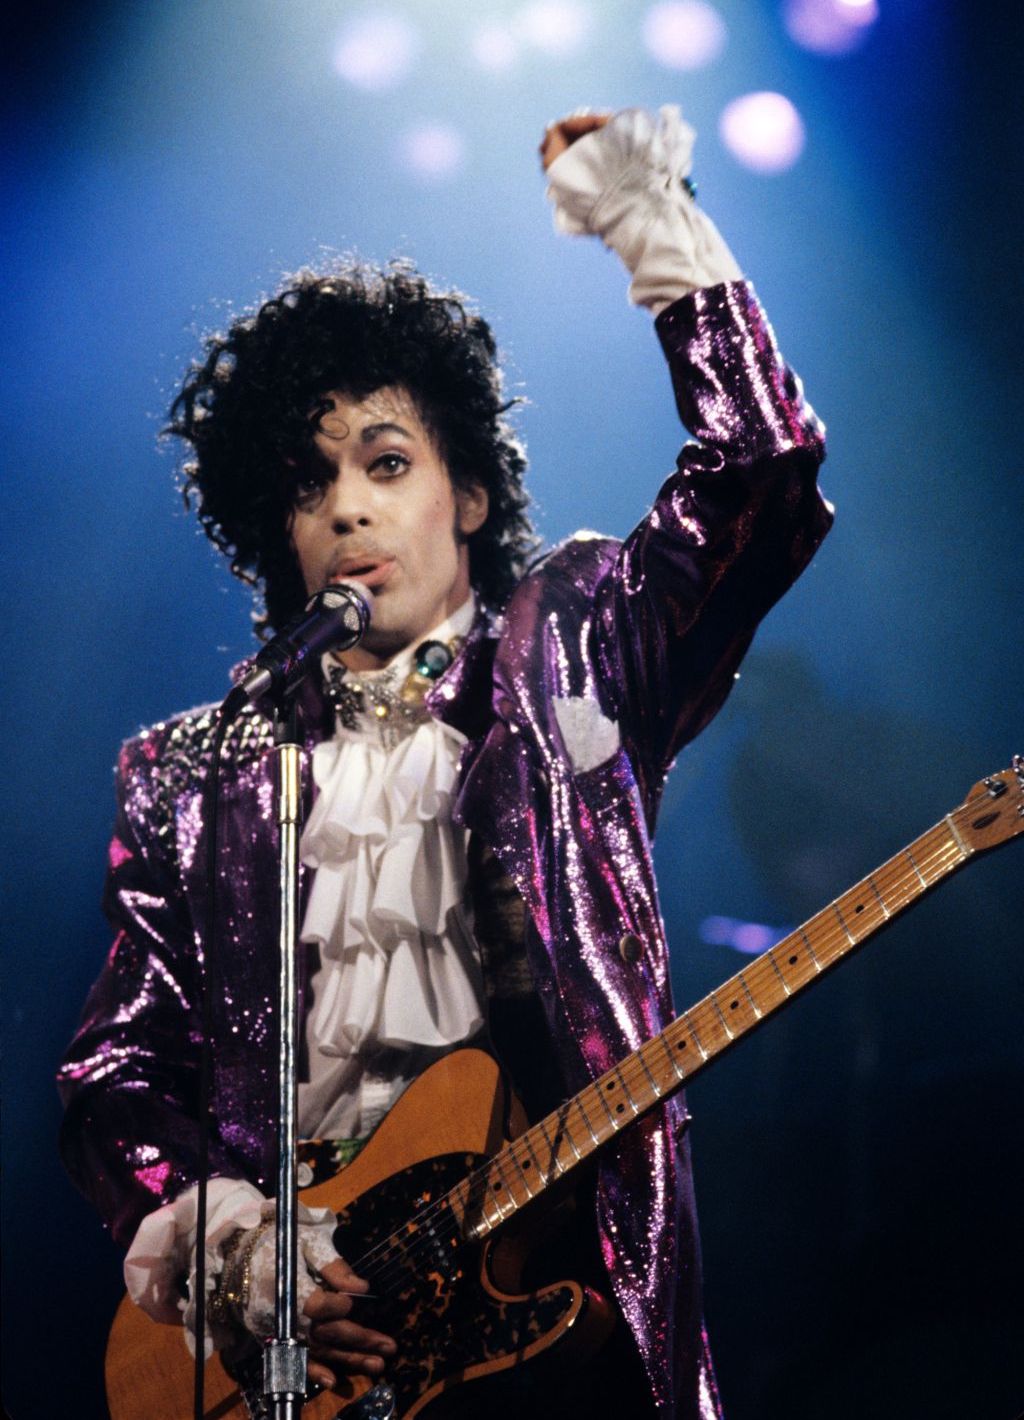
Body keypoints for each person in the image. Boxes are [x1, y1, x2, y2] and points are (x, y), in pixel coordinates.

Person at [58, 107, 832, 1418]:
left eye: (386, 462)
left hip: (564, 1330)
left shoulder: (578, 644)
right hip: (310, 1366)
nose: (349, 507)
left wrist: (645, 216)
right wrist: (225, 1240)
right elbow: (117, 1078)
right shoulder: (196, 774)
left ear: (466, 493)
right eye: (309, 485)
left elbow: (764, 470)